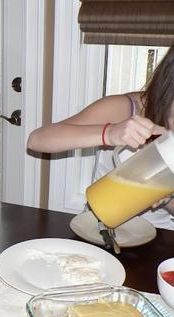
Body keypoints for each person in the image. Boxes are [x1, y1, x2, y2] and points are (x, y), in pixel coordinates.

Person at [27, 44, 174, 229]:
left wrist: (165, 199)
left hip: (160, 238)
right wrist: (109, 133)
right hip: (99, 230)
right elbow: (37, 140)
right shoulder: (126, 108)